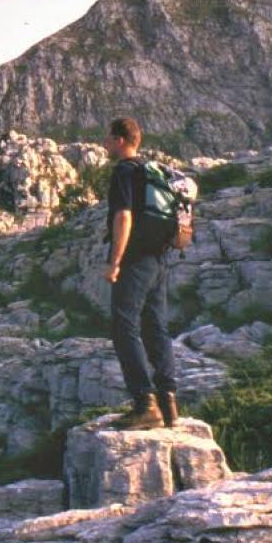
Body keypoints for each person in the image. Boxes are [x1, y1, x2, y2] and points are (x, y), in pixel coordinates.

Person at [103, 116, 176, 430]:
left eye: (107, 138)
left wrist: (116, 260)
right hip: (159, 259)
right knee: (156, 326)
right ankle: (169, 402)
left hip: (135, 260)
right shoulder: (153, 171)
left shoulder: (124, 171)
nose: (104, 143)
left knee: (124, 326)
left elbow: (123, 217)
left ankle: (145, 403)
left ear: (120, 139)